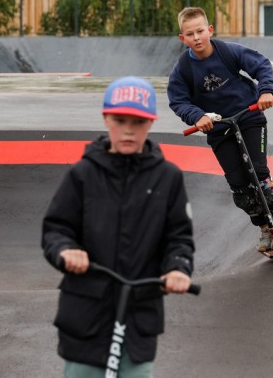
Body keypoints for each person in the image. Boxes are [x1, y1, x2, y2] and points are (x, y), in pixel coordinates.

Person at [42, 76, 195, 378]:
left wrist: (178, 268)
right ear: (106, 119)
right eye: (120, 120)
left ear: (150, 124)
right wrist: (66, 250)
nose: (128, 129)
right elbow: (56, 228)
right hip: (86, 313)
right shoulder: (83, 174)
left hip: (139, 314)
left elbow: (179, 237)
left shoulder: (167, 178)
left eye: (138, 122)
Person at [167, 6, 273, 254]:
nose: (196, 38)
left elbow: (262, 67)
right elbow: (178, 101)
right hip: (218, 127)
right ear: (183, 39)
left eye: (200, 31)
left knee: (259, 174)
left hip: (249, 117)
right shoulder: (182, 69)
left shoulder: (228, 51)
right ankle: (264, 229)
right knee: (239, 188)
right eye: (190, 34)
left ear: (210, 30)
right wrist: (198, 116)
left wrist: (266, 91)